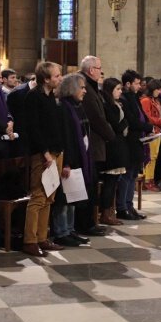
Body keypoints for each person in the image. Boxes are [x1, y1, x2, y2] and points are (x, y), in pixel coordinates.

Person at [20, 61, 67, 256]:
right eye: (56, 76)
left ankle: (42, 237)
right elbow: (34, 129)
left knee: (49, 197)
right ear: (46, 78)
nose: (60, 78)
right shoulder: (34, 97)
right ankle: (30, 241)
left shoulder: (51, 97)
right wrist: (46, 152)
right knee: (38, 197)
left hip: (55, 152)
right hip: (42, 154)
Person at [52, 73, 92, 245]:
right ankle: (61, 232)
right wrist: (66, 162)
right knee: (64, 198)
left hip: (79, 157)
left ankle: (70, 229)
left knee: (73, 196)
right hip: (68, 158)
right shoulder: (63, 107)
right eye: (81, 87)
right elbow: (65, 136)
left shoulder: (77, 106)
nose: (84, 91)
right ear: (72, 88)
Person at [77, 56, 113, 234]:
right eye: (99, 68)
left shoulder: (92, 87)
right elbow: (96, 118)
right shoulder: (85, 88)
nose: (100, 71)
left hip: (95, 143)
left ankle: (90, 222)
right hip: (90, 144)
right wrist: (111, 135)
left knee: (92, 185)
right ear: (91, 70)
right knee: (88, 185)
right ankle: (85, 224)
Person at [117, 70, 151, 220]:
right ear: (128, 84)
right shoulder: (124, 99)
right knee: (127, 176)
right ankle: (122, 208)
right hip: (128, 142)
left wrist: (147, 128)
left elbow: (141, 117)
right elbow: (131, 120)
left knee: (133, 175)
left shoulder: (134, 97)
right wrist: (148, 127)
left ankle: (130, 206)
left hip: (137, 141)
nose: (139, 86)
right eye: (136, 83)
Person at [98, 78, 128, 225]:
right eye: (118, 89)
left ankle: (110, 211)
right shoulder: (108, 106)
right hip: (112, 148)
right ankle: (105, 213)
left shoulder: (115, 105)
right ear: (110, 90)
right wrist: (125, 120)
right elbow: (117, 125)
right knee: (110, 183)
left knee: (114, 182)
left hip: (118, 146)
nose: (120, 92)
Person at [139, 79, 161, 190]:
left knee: (154, 156)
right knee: (150, 156)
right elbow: (147, 117)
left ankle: (150, 179)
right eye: (158, 89)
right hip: (151, 131)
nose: (159, 92)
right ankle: (146, 180)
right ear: (152, 89)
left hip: (158, 131)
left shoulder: (155, 100)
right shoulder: (146, 100)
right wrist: (160, 121)